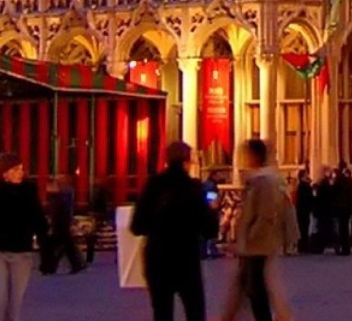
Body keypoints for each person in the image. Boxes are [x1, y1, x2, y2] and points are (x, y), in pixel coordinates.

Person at [131, 141, 209, 321]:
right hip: (186, 257)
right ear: (187, 161)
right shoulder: (193, 188)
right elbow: (209, 228)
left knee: (162, 311)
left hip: (158, 256)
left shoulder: (153, 185)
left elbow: (137, 226)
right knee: (194, 309)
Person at [217, 137, 286, 321]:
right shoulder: (259, 180)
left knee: (256, 288)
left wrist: (249, 239)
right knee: (249, 284)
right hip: (254, 243)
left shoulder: (263, 182)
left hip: (257, 244)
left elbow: (264, 214)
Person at [0, 153, 46, 321]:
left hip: (21, 253)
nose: (20, 173)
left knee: (15, 304)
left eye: (21, 169)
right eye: (16, 169)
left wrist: (45, 249)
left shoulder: (29, 192)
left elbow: (39, 220)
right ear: (4, 172)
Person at [292, 170, 312, 254]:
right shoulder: (304, 186)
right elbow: (307, 198)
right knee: (304, 227)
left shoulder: (301, 186)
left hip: (301, 210)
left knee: (303, 227)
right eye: (306, 175)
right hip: (304, 210)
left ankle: (302, 245)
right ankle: (304, 246)